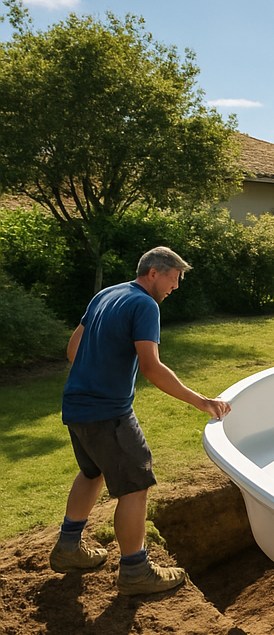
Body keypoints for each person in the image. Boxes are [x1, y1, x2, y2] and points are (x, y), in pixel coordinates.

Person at [49, 247, 231, 595]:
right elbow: (151, 367)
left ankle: (68, 547)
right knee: (135, 486)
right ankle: (135, 570)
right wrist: (201, 401)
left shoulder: (107, 294)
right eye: (174, 279)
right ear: (155, 273)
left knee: (92, 472)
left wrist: (95, 376)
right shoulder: (145, 305)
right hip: (108, 414)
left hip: (76, 406)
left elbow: (74, 349)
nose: (175, 287)